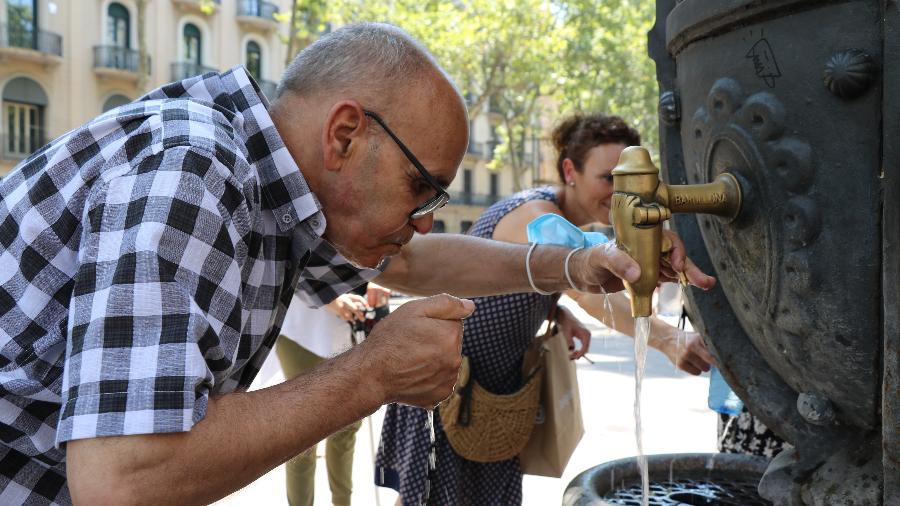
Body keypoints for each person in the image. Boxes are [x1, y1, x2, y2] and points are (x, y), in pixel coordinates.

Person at [0, 23, 711, 505]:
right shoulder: (192, 169)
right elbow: (122, 480)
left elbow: (416, 260)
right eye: (420, 187)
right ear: (345, 133)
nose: (426, 215)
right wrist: (372, 374)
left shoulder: (267, 180)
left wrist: (569, 268)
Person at [375, 113, 716, 506]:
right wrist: (669, 339)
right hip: (450, 388)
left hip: (494, 395)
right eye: (609, 179)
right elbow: (581, 282)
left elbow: (529, 283)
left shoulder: (560, 219)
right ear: (570, 170)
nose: (620, 194)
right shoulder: (536, 216)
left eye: (629, 183)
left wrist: (556, 313)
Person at [276, 281, 391, 506]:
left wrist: (377, 279)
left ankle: (342, 502)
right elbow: (288, 256)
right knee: (303, 438)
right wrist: (328, 298)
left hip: (351, 328)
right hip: (303, 331)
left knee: (346, 430)